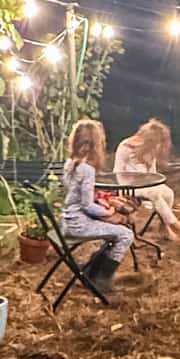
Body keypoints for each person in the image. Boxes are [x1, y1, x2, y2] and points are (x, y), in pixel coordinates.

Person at [61, 118, 134, 298]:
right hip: (78, 224)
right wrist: (107, 212)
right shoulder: (86, 169)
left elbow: (78, 198)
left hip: (67, 220)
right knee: (126, 234)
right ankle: (101, 279)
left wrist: (101, 205)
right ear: (96, 143)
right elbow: (86, 205)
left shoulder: (70, 163)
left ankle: (90, 272)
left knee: (116, 232)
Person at [113, 119, 180, 248]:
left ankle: (164, 228)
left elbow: (152, 174)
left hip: (146, 185)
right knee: (154, 193)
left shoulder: (150, 149)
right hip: (128, 186)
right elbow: (117, 173)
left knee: (168, 192)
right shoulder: (125, 146)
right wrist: (126, 192)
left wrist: (154, 182)